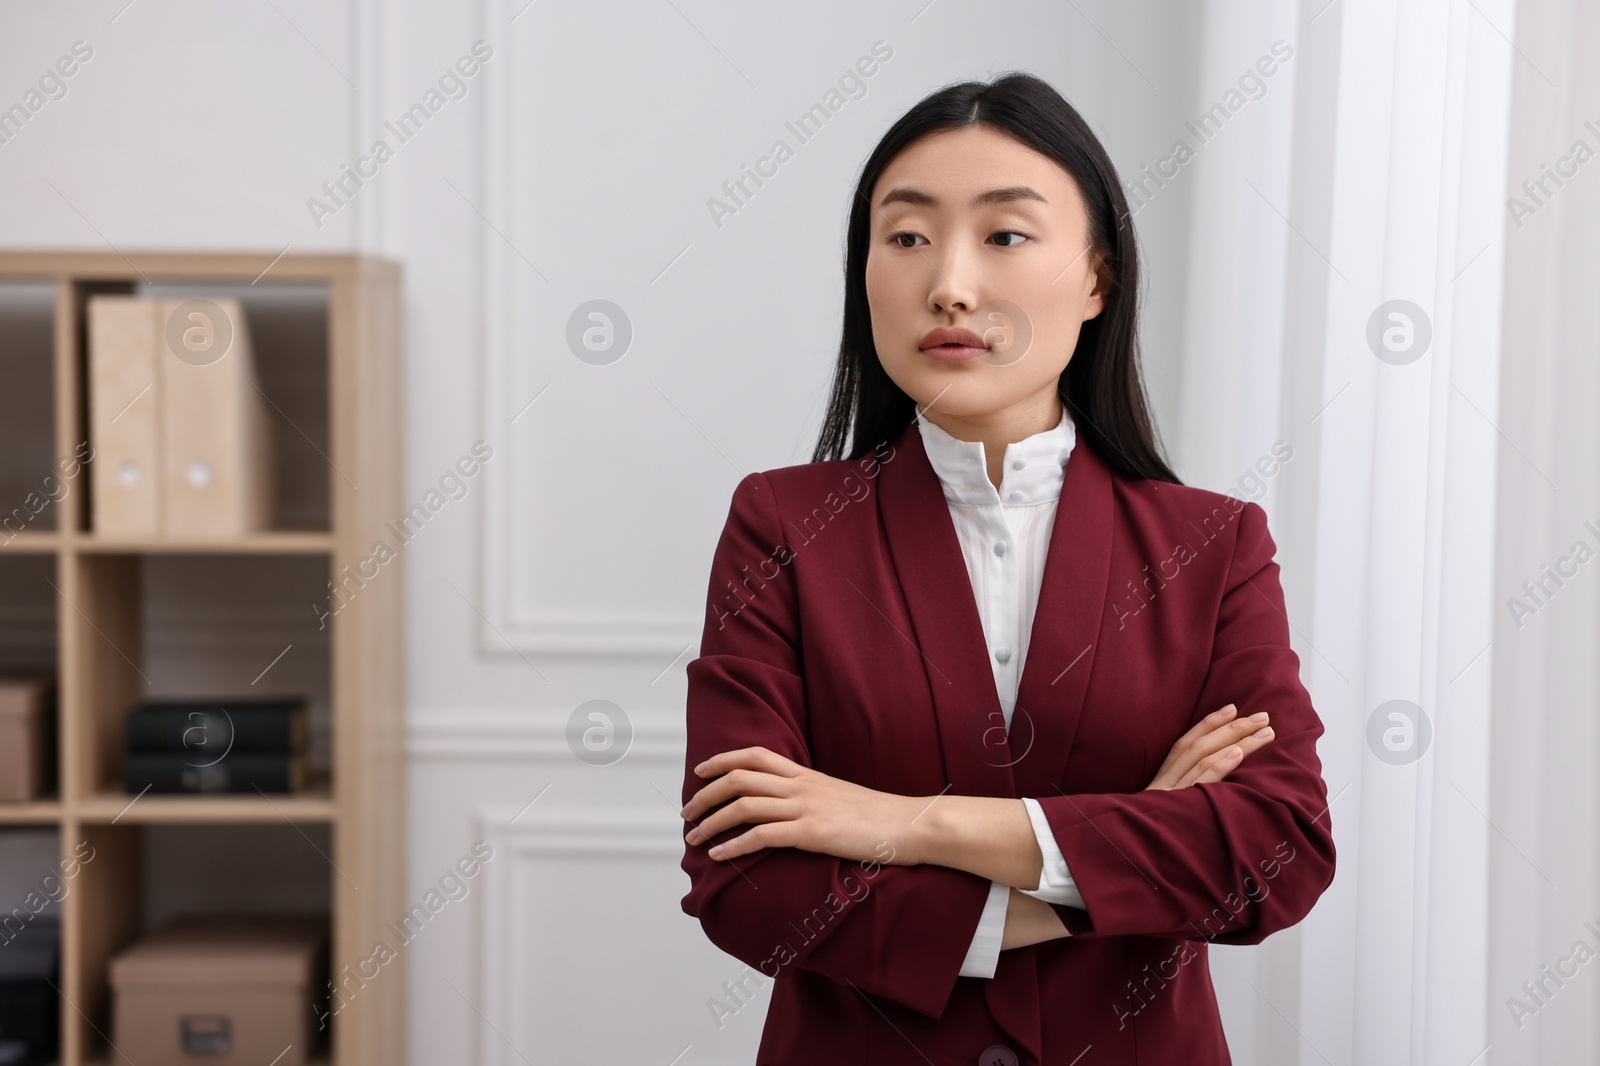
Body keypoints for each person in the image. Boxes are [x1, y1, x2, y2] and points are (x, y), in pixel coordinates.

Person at [679, 71, 1335, 1065]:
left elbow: (1275, 855)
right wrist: (1121, 858)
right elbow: (750, 888)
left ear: (1097, 279)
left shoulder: (1216, 544)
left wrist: (897, 823)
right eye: (905, 237)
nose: (948, 282)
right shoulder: (783, 526)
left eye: (1004, 234)